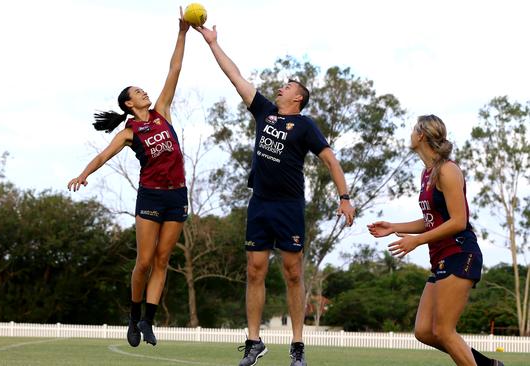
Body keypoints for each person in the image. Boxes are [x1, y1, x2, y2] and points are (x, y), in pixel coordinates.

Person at [193, 25, 355, 366]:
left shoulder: (306, 125)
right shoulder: (264, 111)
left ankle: (297, 345)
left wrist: (344, 197)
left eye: (288, 86)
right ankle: (254, 341)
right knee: (254, 269)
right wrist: (213, 43)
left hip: (289, 206)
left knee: (293, 273)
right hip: (261, 204)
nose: (281, 87)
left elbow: (330, 159)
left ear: (297, 98)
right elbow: (235, 77)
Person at [67, 8, 190, 348]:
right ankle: (133, 315)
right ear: (127, 102)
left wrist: (182, 33)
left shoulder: (162, 111)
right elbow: (103, 156)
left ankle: (148, 321)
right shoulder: (128, 131)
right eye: (138, 92)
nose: (145, 93)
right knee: (144, 261)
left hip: (177, 196)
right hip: (150, 197)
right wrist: (83, 174)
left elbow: (174, 69)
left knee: (164, 260)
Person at [368, 115, 504, 366]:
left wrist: (417, 241)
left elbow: (458, 221)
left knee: (443, 330)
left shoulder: (448, 170)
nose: (410, 135)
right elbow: (433, 219)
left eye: (412, 130)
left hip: (460, 253)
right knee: (424, 331)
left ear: (421, 135)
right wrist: (394, 227)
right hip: (440, 257)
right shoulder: (426, 173)